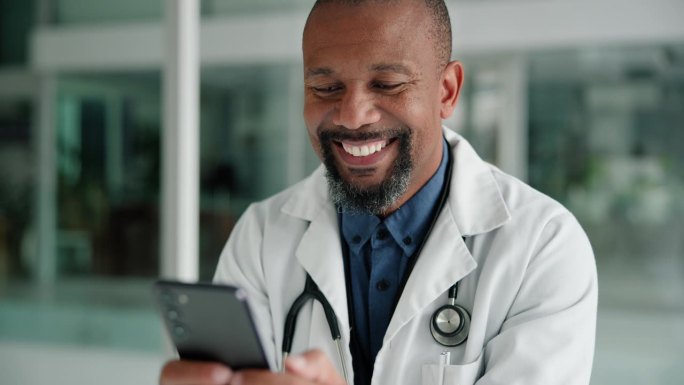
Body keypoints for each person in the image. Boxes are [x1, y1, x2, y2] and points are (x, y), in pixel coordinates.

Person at [160, 0, 597, 384]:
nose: (352, 116)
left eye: (387, 84)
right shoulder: (260, 236)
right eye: (326, 88)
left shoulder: (544, 247)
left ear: (447, 91)